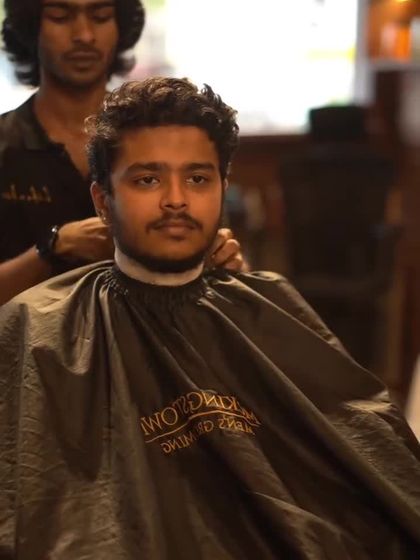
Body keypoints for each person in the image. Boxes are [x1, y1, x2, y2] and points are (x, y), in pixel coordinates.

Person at [1, 77, 420, 559]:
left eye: (197, 179)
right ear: (102, 201)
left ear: (223, 188)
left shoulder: (265, 303)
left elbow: (368, 453)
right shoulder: (40, 327)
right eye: (147, 179)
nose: (176, 199)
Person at [0, 0, 244, 305]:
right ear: (31, 25)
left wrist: (227, 263)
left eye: (101, 17)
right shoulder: (6, 145)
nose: (84, 35)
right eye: (61, 17)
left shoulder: (162, 140)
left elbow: (229, 273)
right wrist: (51, 249)